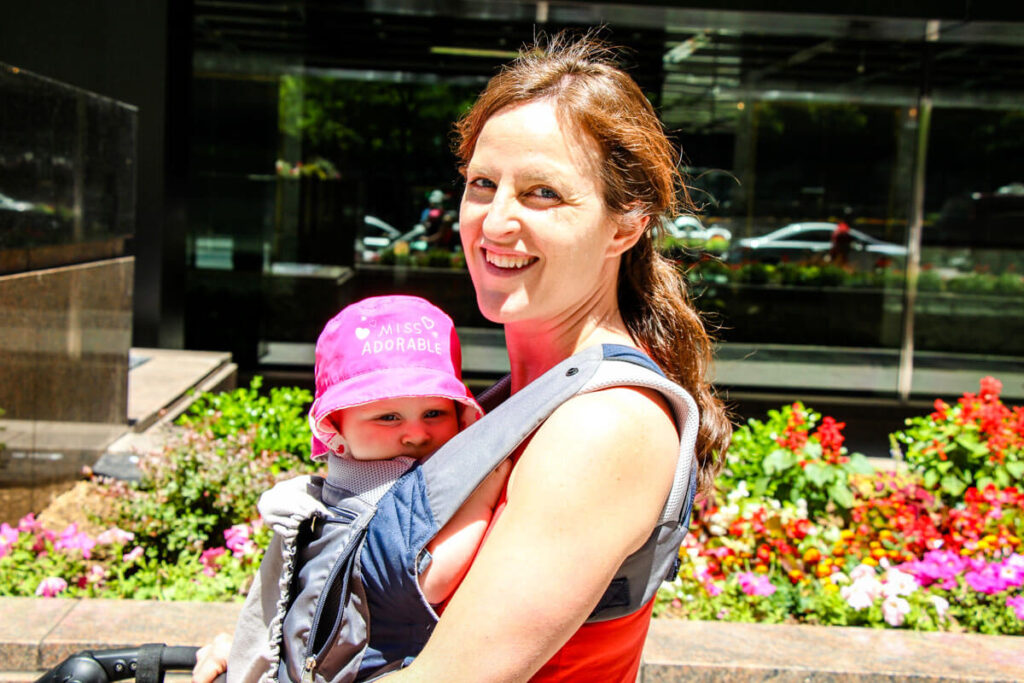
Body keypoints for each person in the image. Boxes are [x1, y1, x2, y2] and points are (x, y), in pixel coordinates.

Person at [195, 30, 730, 682]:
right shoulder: (513, 399)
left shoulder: (603, 426)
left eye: (542, 193)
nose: (494, 220)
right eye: (483, 183)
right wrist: (274, 649)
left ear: (625, 225)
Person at [216, 295, 509, 681]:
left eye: (434, 413)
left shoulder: (342, 490)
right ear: (335, 427)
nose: (417, 434)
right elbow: (430, 578)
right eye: (388, 417)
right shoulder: (368, 503)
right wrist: (487, 485)